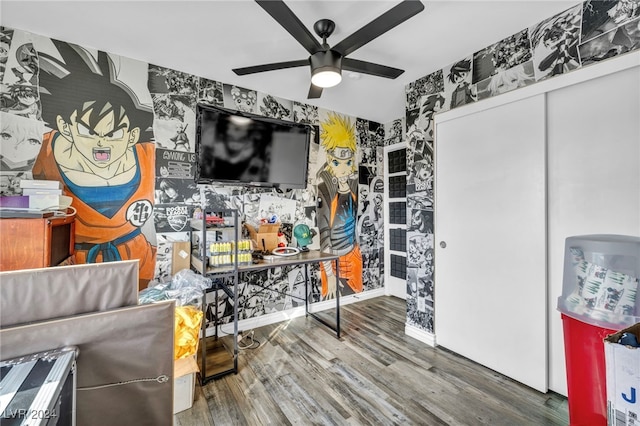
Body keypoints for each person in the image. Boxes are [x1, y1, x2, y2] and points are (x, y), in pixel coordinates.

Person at [33, 40, 156, 288]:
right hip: (73, 271)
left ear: (132, 135)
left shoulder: (147, 154)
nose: (102, 142)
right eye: (89, 132)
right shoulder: (41, 148)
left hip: (137, 264)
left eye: (113, 133)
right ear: (66, 128)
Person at [316, 112, 362, 299]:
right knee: (332, 303)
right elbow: (324, 234)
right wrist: (329, 274)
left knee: (355, 302)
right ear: (329, 160)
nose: (344, 168)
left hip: (353, 255)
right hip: (333, 259)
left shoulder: (354, 186)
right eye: (337, 162)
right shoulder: (324, 190)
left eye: (348, 162)